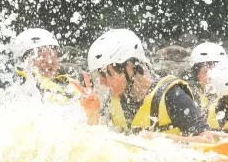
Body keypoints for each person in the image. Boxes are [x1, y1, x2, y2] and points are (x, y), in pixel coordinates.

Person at [75, 29, 207, 136]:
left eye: (107, 74)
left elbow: (208, 140)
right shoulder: (113, 102)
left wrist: (161, 139)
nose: (103, 82)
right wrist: (93, 115)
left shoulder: (173, 96)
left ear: (129, 66)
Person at [188, 42, 227, 117]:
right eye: (206, 71)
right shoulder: (189, 96)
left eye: (217, 71)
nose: (211, 76)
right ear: (196, 74)